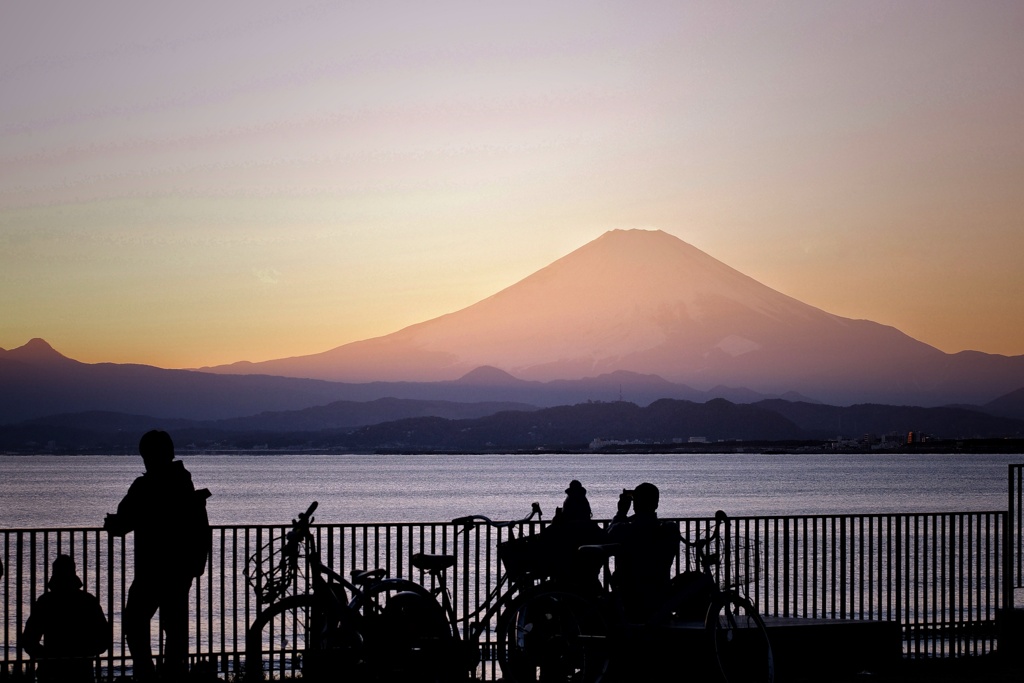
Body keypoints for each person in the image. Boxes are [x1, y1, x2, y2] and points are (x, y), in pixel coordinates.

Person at [104, 430, 208, 681]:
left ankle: (145, 672)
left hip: (151, 568)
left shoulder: (145, 486)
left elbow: (122, 524)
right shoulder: (184, 484)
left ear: (147, 456)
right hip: (181, 569)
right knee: (174, 626)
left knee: (134, 621)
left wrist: (114, 523)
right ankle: (173, 674)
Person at [21, 554, 109, 683]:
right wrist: (85, 653)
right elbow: (104, 638)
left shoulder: (45, 602)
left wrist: (47, 656)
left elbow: (29, 640)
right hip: (81, 672)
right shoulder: (87, 601)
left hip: (51, 673)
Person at [607, 482, 679, 622]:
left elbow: (608, 537)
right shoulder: (670, 530)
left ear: (635, 505)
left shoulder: (624, 530)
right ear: (656, 504)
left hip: (629, 596)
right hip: (659, 595)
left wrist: (621, 512)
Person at [543, 480, 606, 593]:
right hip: (589, 581)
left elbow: (545, 540)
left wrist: (555, 522)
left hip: (564, 582)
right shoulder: (592, 528)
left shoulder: (559, 530)